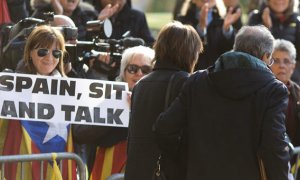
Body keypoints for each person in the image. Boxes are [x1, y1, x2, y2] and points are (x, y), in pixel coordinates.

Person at [154, 25, 291, 180]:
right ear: (266, 56)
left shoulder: (197, 81)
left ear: (236, 47)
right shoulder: (273, 90)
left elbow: (164, 127)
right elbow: (274, 147)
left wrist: (187, 160)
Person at [125, 21, 203, 180]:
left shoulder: (141, 84)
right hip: (168, 172)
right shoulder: (186, 83)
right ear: (188, 52)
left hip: (138, 171)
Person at [0, 25, 76, 179]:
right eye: (42, 51)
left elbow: (83, 130)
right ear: (29, 53)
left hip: (60, 167)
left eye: (56, 52)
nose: (49, 58)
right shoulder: (9, 84)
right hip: (20, 168)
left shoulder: (74, 88)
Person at [72, 45, 154, 179]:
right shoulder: (109, 96)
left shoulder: (160, 99)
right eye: (133, 69)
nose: (139, 74)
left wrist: (138, 111)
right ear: (124, 72)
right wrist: (115, 111)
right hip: (106, 171)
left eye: (145, 70)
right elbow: (80, 133)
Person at [175, 0, 241, 70]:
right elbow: (182, 51)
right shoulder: (182, 21)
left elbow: (229, 51)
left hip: (217, 75)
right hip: (192, 75)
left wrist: (227, 29)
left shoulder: (223, 19)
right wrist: (201, 29)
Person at [248, 0, 300, 85]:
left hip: (291, 78)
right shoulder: (256, 17)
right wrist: (266, 28)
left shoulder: (297, 19)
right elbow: (251, 51)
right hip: (263, 78)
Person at [269, 39, 300, 178]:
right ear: (268, 64)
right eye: (276, 60)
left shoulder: (298, 93)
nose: (281, 66)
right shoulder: (261, 91)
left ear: (293, 66)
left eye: (286, 61)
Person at [31, 0, 98, 40]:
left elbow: (87, 43)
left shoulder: (87, 13)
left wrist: (98, 23)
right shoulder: (42, 13)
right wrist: (59, 15)